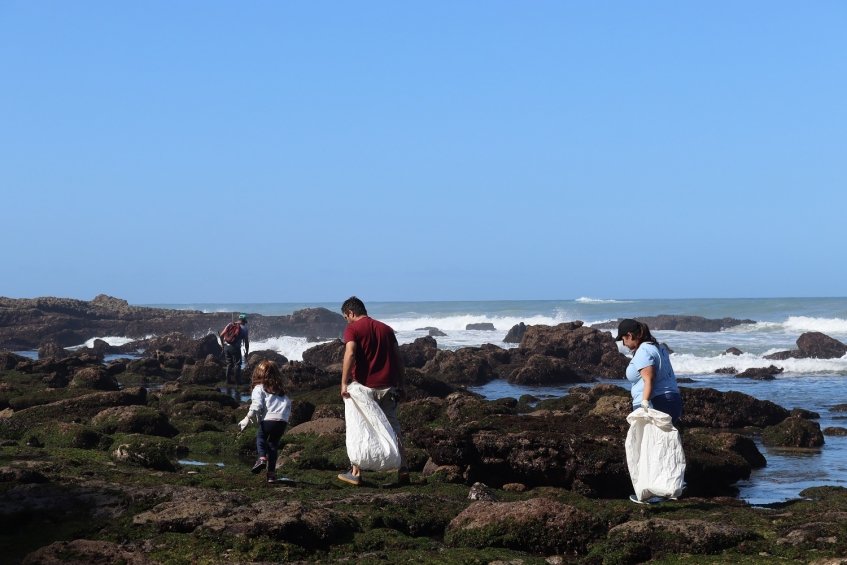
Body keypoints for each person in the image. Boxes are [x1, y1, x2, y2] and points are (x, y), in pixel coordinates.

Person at [336, 296, 408, 487]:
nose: (347, 321)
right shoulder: (386, 329)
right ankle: (404, 470)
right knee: (393, 428)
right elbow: (398, 358)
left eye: (346, 317)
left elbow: (350, 353)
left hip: (365, 389)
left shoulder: (353, 329)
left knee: (359, 425)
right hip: (388, 387)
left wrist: (343, 383)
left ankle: (356, 472)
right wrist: (402, 383)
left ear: (351, 313)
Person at [616, 318, 682, 424]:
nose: (623, 344)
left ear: (630, 335)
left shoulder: (644, 350)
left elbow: (649, 379)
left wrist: (644, 404)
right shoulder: (658, 348)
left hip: (655, 403)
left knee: (649, 440)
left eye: (623, 339)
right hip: (672, 399)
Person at [238, 359, 291, 483]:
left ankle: (261, 458)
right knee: (273, 446)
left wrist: (247, 418)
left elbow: (257, 405)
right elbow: (288, 404)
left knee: (261, 438)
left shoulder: (259, 388)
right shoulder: (280, 391)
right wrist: (285, 421)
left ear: (258, 374)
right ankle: (271, 475)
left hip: (268, 420)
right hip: (282, 421)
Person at [222, 313, 250, 386]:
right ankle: (238, 382)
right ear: (244, 321)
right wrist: (247, 352)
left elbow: (222, 335)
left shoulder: (230, 324)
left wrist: (222, 345)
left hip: (226, 347)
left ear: (239, 319)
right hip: (235, 348)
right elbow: (246, 342)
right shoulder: (244, 328)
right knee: (237, 364)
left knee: (229, 364)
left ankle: (228, 381)